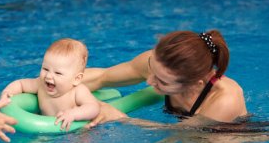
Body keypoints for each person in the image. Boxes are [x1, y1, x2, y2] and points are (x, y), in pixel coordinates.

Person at [82, 30, 248, 127]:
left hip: (226, 139)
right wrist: (60, 83)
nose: (149, 81)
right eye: (152, 70)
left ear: (195, 83)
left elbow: (186, 138)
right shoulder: (159, 64)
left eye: (162, 81)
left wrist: (122, 118)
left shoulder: (225, 99)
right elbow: (102, 77)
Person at [0, 38, 100, 131]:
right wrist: (8, 92)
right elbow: (21, 84)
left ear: (76, 79)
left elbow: (93, 107)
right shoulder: (40, 84)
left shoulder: (77, 91)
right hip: (46, 128)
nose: (48, 76)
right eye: (45, 69)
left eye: (58, 73)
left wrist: (73, 114)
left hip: (73, 130)